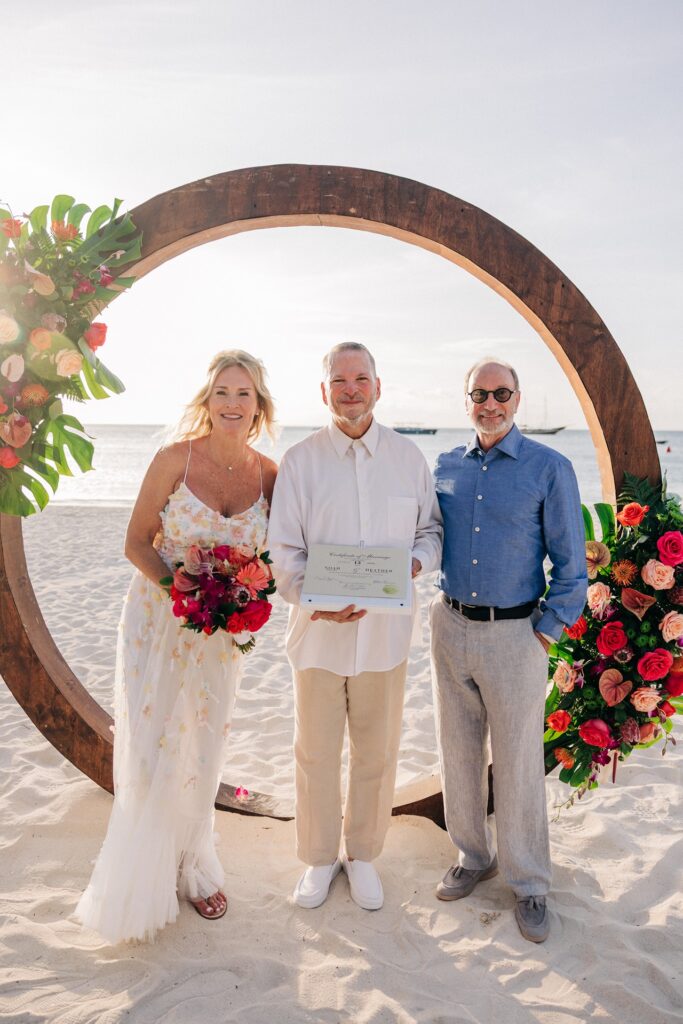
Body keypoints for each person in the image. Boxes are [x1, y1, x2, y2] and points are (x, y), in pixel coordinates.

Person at [76, 350, 277, 943]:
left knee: (204, 745)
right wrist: (182, 589)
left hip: (220, 637)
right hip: (159, 621)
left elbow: (280, 556)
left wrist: (244, 594)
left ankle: (194, 864)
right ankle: (151, 864)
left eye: (244, 394)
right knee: (151, 740)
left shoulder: (271, 474)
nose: (232, 404)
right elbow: (136, 543)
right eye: (222, 392)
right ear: (207, 400)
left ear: (258, 404)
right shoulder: (172, 459)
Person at [268, 342, 442, 911]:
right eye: (339, 380)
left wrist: (414, 564)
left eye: (360, 378)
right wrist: (310, 598)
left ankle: (363, 855)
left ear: (377, 386)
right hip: (318, 633)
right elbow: (284, 551)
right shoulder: (300, 460)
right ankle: (319, 860)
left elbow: (431, 532)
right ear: (324, 391)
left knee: (377, 750)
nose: (350, 389)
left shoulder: (408, 459)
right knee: (315, 752)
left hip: (386, 638)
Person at [430, 357, 587, 943]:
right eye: (479, 393)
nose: (490, 403)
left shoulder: (551, 467)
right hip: (449, 626)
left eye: (501, 393)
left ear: (517, 399)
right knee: (459, 750)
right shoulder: (446, 465)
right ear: (466, 399)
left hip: (516, 634)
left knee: (519, 759)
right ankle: (474, 857)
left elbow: (572, 567)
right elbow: (424, 534)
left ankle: (529, 884)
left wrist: (545, 630)